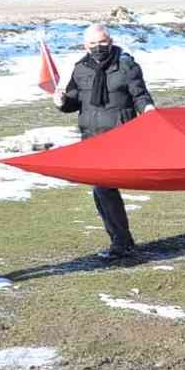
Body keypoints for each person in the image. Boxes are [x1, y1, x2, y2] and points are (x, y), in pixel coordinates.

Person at [54, 24, 156, 261]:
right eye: (93, 44)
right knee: (102, 191)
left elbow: (139, 94)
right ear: (85, 45)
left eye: (103, 43)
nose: (98, 48)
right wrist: (61, 101)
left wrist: (149, 110)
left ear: (110, 41)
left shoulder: (126, 64)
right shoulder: (80, 69)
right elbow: (74, 100)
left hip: (121, 136)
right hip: (92, 138)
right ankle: (121, 240)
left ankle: (121, 241)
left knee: (103, 188)